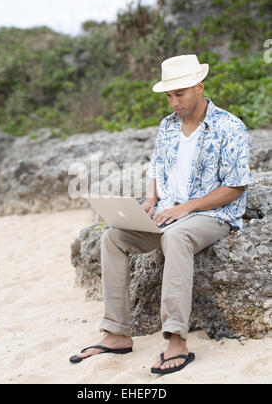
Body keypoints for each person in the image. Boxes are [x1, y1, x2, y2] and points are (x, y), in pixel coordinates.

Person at [70, 54, 253, 375]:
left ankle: (176, 340)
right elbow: (157, 166)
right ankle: (116, 333)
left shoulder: (229, 127)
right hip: (168, 212)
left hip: (212, 215)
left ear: (199, 87)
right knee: (113, 237)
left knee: (176, 236)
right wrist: (150, 201)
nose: (173, 102)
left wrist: (186, 207)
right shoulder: (167, 127)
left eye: (179, 93)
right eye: (168, 95)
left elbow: (235, 187)